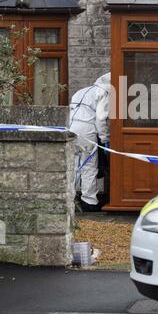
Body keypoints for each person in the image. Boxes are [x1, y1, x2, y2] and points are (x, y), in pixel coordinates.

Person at [69, 73, 111, 212]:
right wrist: (105, 139)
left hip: (71, 128)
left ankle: (70, 197)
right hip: (87, 130)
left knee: (75, 164)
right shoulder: (103, 92)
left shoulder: (81, 91)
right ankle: (89, 202)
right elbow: (101, 119)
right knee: (89, 165)